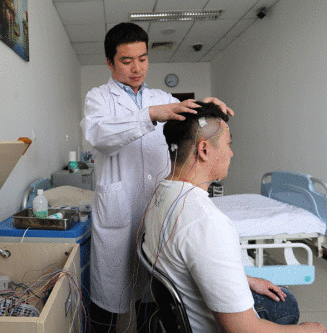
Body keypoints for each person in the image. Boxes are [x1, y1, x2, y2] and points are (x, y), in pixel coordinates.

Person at [80, 22, 233, 332]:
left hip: (157, 211)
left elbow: (187, 127)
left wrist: (209, 108)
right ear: (110, 62)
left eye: (143, 58)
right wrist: (149, 115)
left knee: (153, 300)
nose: (137, 68)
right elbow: (99, 135)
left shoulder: (162, 96)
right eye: (126, 61)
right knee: (109, 306)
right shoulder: (99, 99)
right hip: (118, 215)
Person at [142, 101, 327, 332]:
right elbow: (244, 330)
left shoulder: (160, 194)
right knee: (287, 305)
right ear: (204, 150)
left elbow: (192, 258)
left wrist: (246, 278)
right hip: (208, 324)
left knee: (282, 297)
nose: (231, 152)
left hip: (178, 316)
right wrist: (308, 330)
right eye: (228, 144)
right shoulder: (207, 222)